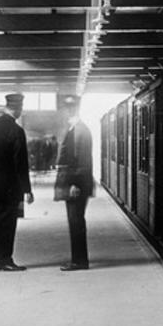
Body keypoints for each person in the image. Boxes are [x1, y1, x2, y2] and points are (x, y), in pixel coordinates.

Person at [0, 92, 34, 271]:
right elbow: (21, 163)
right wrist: (27, 189)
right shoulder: (16, 131)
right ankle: (6, 260)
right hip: (9, 187)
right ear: (17, 109)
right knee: (8, 224)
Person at [54, 94, 94, 271]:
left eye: (68, 109)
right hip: (74, 183)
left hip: (76, 185)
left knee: (76, 221)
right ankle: (78, 259)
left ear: (73, 109)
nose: (66, 112)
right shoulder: (75, 129)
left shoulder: (79, 131)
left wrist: (74, 184)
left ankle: (79, 261)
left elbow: (81, 161)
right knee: (75, 221)